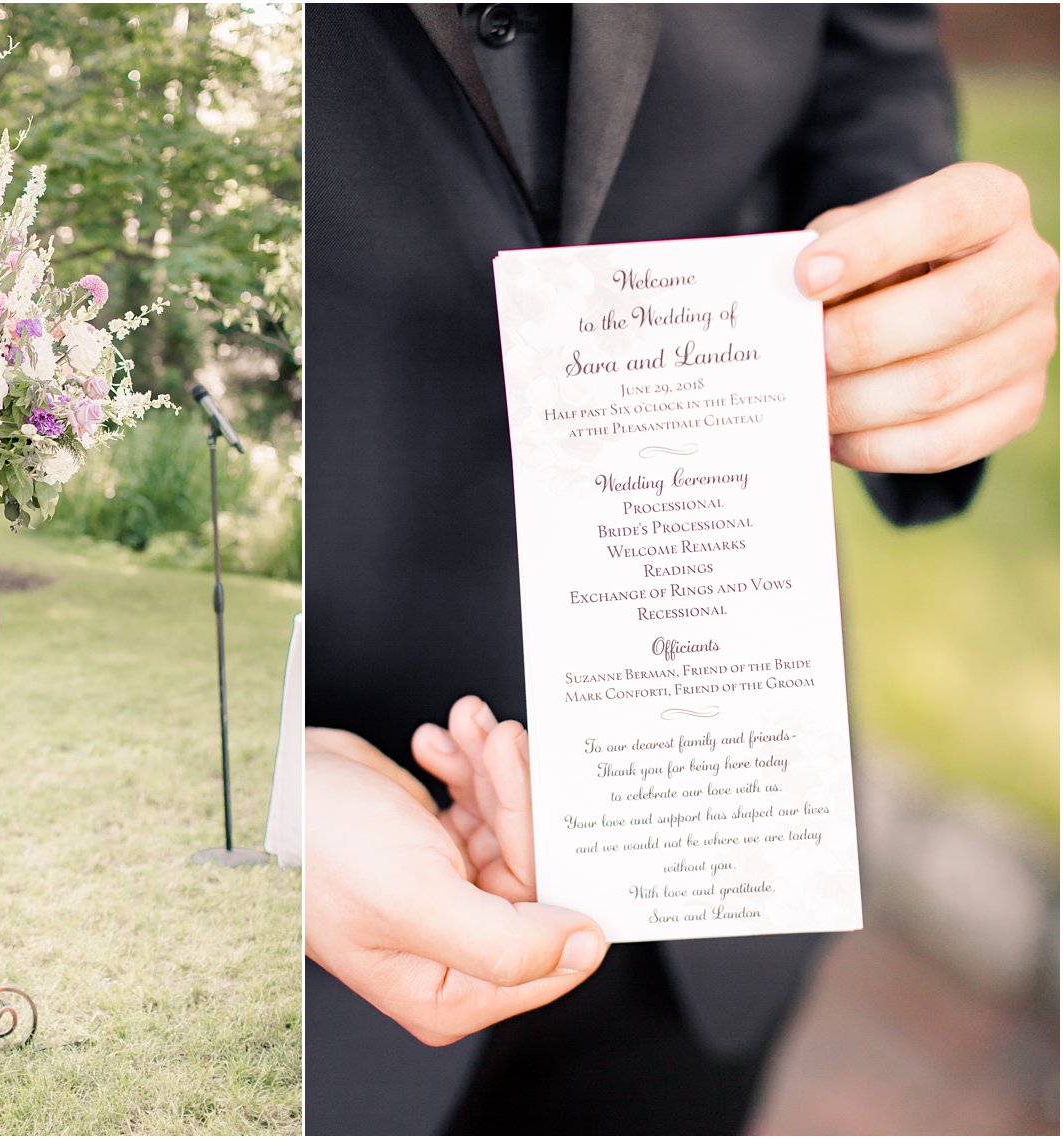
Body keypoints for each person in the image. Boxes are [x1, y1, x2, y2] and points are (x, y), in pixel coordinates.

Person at [304, 4, 1058, 1134]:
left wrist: (925, 288)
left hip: (717, 872)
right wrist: (240, 790)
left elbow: (870, 53)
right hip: (282, 910)